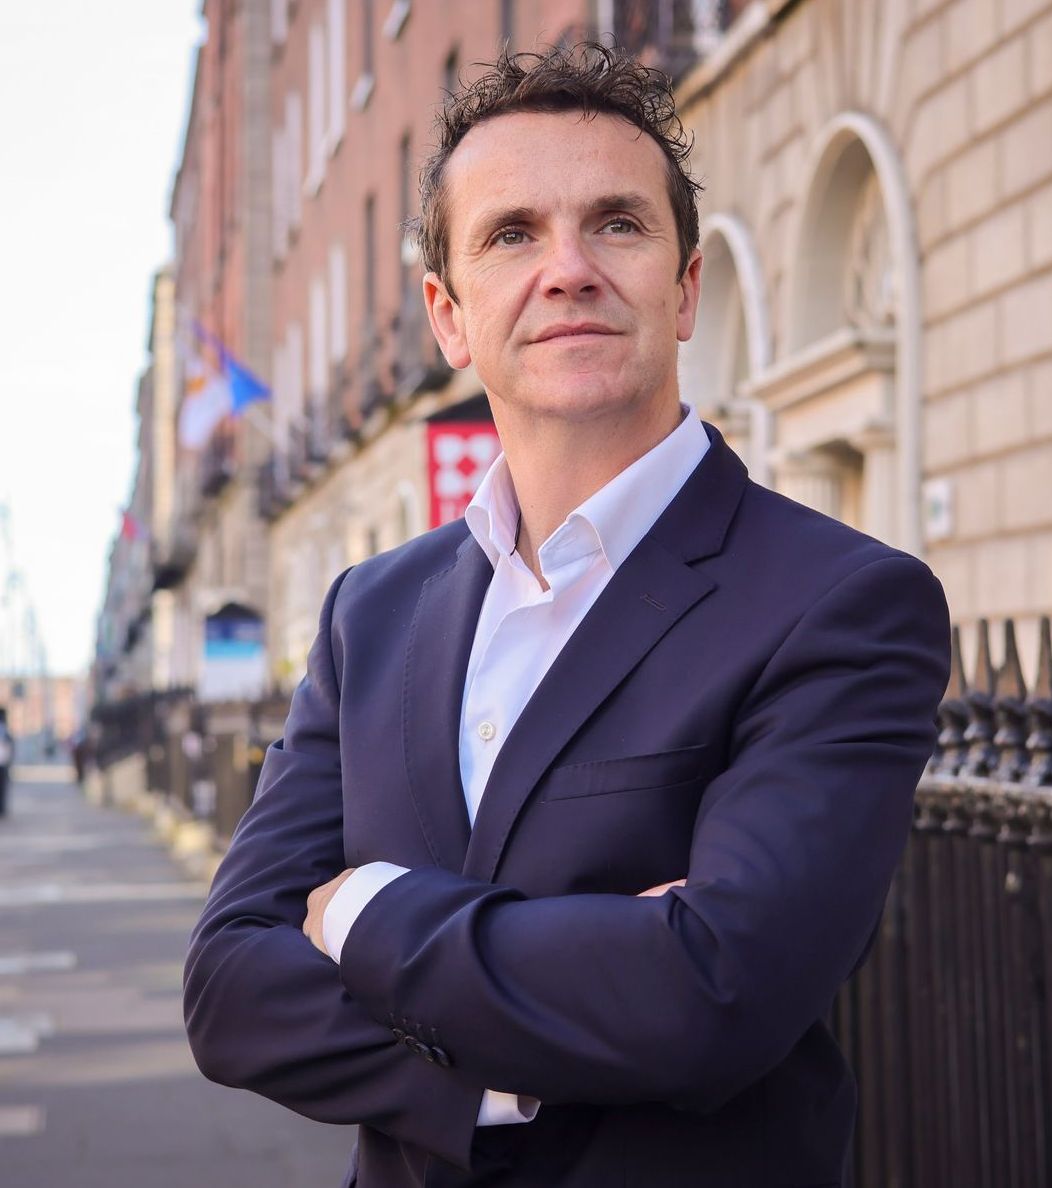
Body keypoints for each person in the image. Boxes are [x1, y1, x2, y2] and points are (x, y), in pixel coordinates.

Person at [184, 43, 950, 1188]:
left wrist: (365, 913)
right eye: (512, 235)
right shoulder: (372, 612)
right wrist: (536, 1037)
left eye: (619, 225)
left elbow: (712, 994)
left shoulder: (841, 603)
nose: (569, 269)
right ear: (450, 317)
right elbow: (231, 991)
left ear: (684, 288)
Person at [0, 706, 13, 817]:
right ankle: (2, 808)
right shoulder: (5, 730)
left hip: (3, 762)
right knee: (3, 786)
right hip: (3, 762)